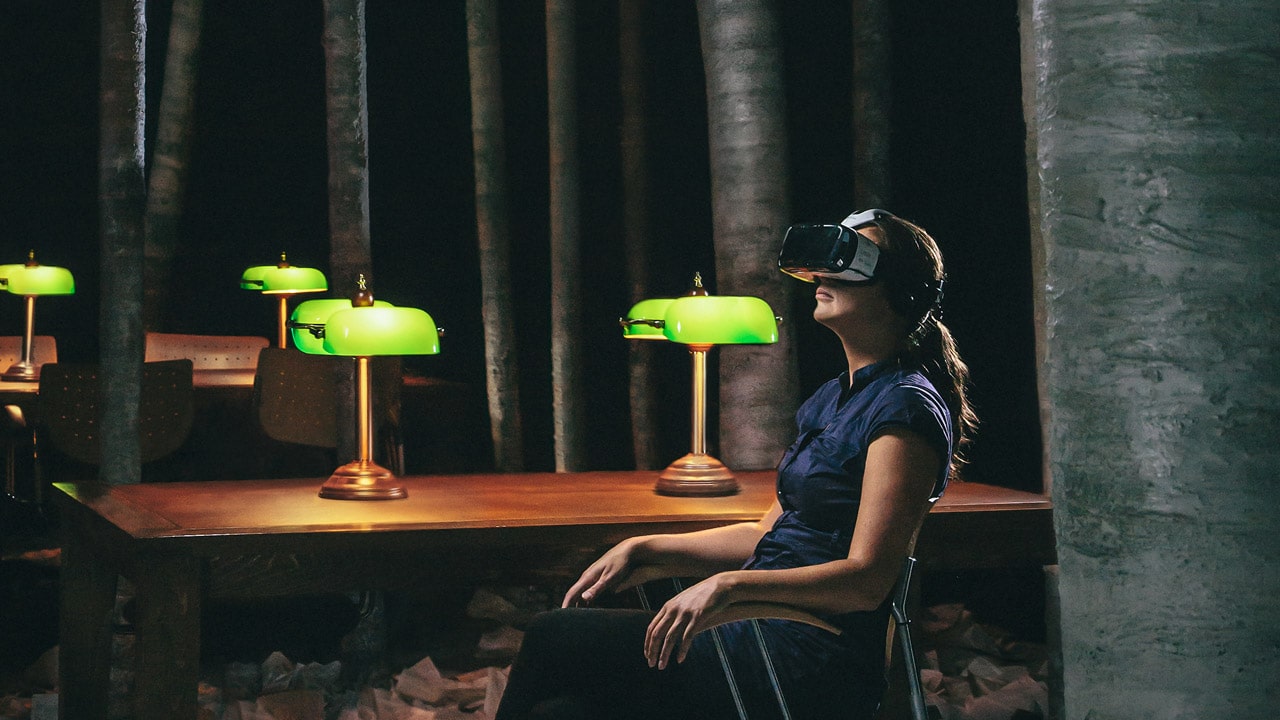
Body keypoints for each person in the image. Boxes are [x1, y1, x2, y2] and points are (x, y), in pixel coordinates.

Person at [495, 210, 977, 720]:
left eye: (849, 263)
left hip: (806, 651)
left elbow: (865, 580)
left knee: (553, 636)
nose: (821, 277)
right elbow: (766, 532)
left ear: (899, 293)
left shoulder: (906, 410)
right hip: (757, 623)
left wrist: (728, 586)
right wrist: (647, 547)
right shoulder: (833, 398)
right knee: (561, 713)